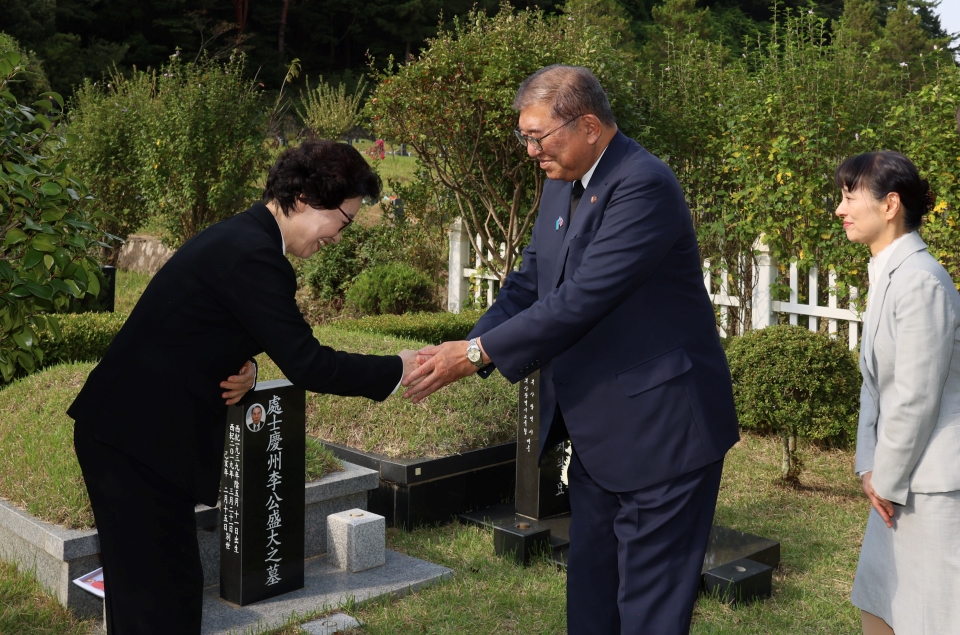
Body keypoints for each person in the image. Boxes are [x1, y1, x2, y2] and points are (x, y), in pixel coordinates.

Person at [402, 65, 740, 634]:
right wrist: (463, 344)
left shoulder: (643, 185)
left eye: (538, 136)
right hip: (598, 434)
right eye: (523, 136)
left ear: (588, 125)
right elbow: (531, 282)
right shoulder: (562, 181)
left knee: (648, 613)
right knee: (590, 599)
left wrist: (479, 354)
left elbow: (581, 300)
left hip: (664, 433)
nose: (529, 149)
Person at [68, 140, 418, 634]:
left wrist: (247, 364)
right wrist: (397, 367)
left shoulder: (247, 239)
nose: (340, 236)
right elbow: (310, 364)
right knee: (159, 600)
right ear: (302, 199)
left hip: (134, 436)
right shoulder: (254, 255)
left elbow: (209, 325)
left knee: (157, 592)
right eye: (344, 219)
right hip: (133, 440)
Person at [834, 151, 960, 635]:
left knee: (927, 620)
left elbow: (914, 398)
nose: (840, 210)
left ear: (890, 205)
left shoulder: (921, 281)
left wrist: (883, 479)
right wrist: (869, 466)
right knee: (879, 607)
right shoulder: (888, 272)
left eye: (849, 197)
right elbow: (875, 385)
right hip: (897, 483)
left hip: (929, 489)